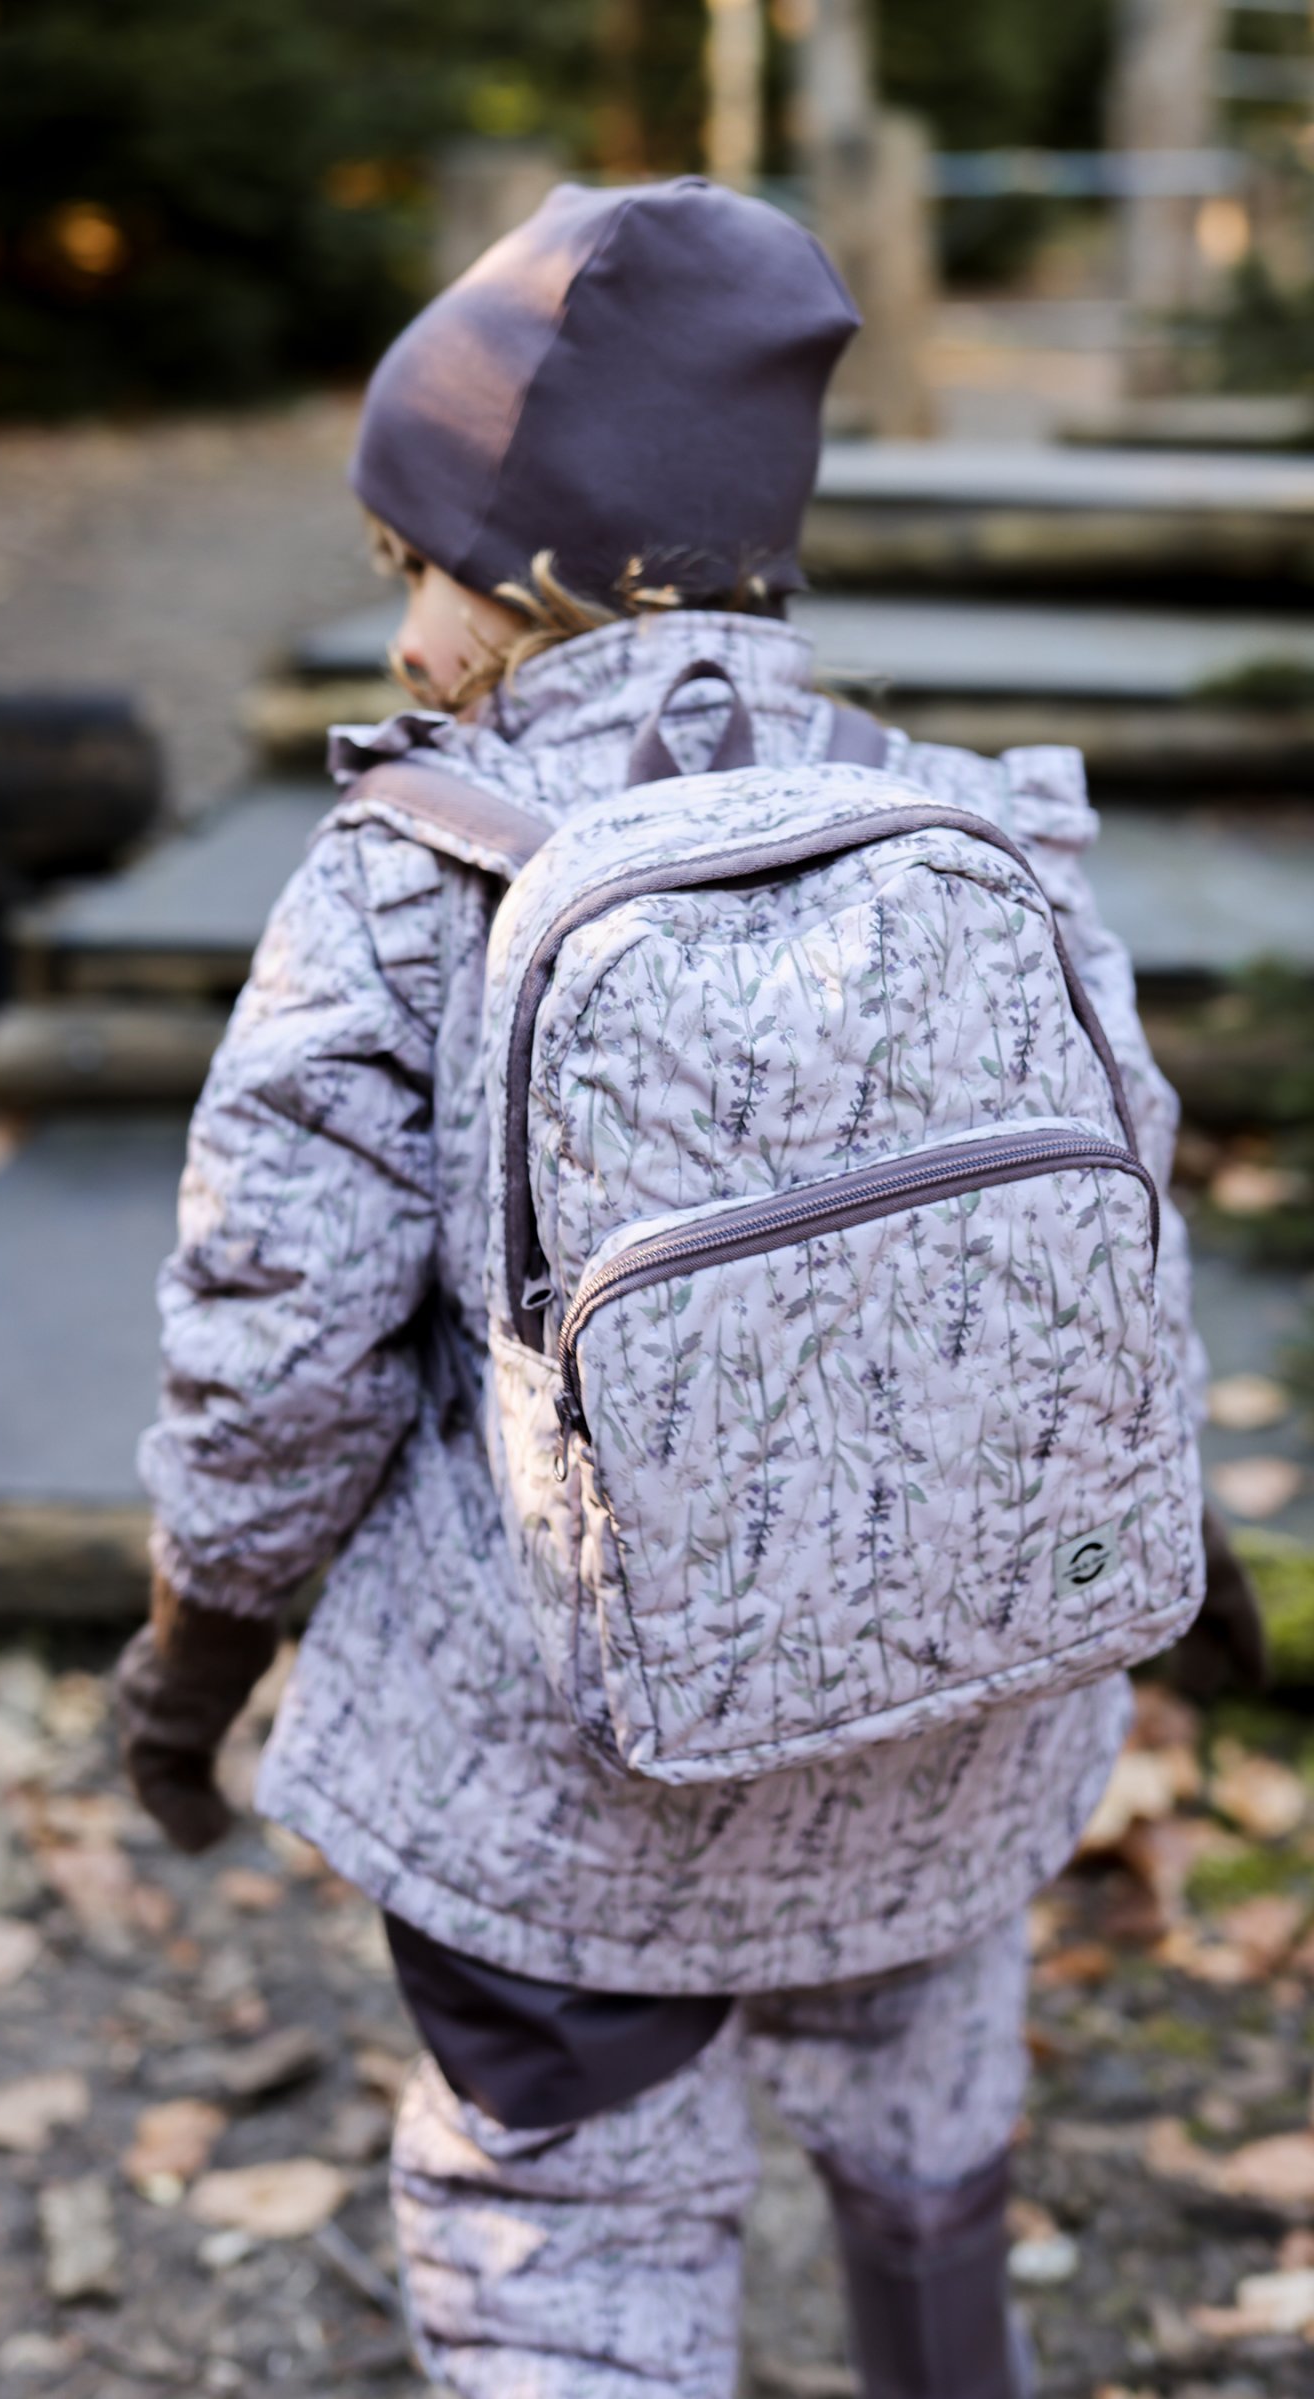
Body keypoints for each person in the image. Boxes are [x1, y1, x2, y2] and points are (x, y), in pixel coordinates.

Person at [115, 178, 1259, 2399]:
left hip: (571, 1789)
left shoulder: (404, 880)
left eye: (420, 570)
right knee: (929, 2137)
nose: (403, 637)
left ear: (544, 570)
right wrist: (1173, 1563)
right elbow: (1112, 1248)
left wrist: (195, 1661)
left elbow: (275, 1350)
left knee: (566, 2233)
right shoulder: (981, 836)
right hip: (953, 1724)